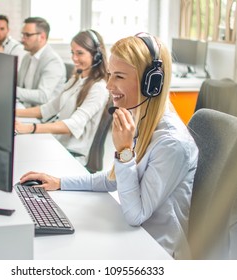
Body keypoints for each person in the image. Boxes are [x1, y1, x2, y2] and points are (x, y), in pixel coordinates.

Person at [19, 33, 199, 259]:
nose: (109, 85)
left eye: (119, 77)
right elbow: (112, 179)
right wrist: (60, 182)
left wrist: (125, 152)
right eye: (109, 75)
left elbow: (136, 213)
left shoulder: (172, 143)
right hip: (131, 235)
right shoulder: (139, 119)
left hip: (155, 249)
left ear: (150, 83)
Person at [15, 30, 109, 166]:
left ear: (96, 56)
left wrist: (30, 127)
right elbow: (48, 108)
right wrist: (13, 113)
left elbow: (72, 125)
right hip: (56, 144)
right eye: (72, 52)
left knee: (21, 160)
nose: (74, 58)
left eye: (80, 53)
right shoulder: (77, 79)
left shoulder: (99, 88)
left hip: (71, 156)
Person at [17, 17, 66, 107]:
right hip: (25, 108)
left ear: (42, 37)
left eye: (27, 35)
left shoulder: (53, 62)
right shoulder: (27, 57)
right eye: (22, 35)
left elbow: (43, 96)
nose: (23, 39)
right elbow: (19, 85)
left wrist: (13, 91)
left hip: (42, 117)